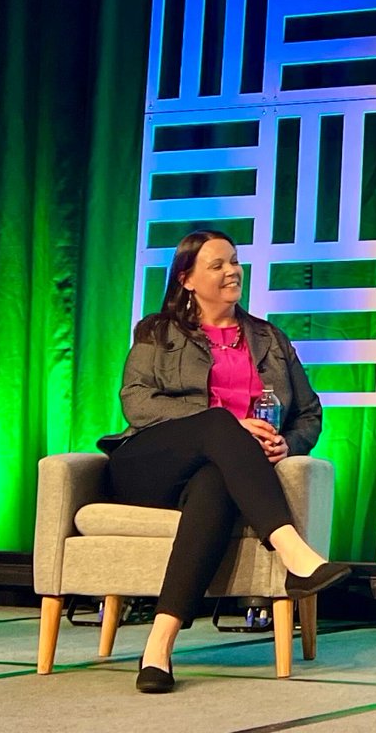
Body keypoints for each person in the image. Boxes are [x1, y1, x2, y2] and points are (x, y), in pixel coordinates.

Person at [100, 230, 350, 694]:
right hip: (150, 464)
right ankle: (293, 551)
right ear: (187, 279)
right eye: (216, 265)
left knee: (216, 483)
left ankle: (158, 648)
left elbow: (309, 412)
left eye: (233, 262)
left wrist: (288, 446)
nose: (232, 271)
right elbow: (135, 403)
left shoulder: (269, 338)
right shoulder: (158, 331)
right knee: (219, 422)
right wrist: (232, 422)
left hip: (219, 471)